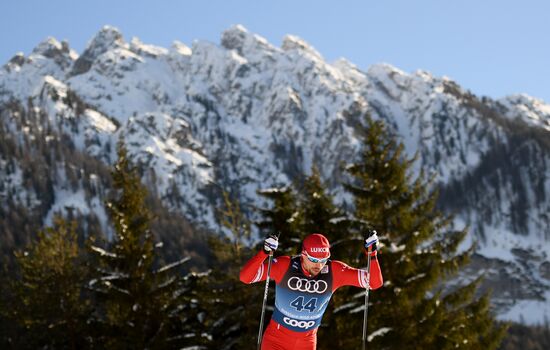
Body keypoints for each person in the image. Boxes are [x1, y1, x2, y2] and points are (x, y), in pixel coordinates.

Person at [240, 231, 383, 350]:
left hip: (306, 343)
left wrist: (372, 254)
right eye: (314, 260)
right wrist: (264, 253)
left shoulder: (335, 271)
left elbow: (374, 283)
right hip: (276, 341)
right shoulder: (285, 266)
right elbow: (246, 277)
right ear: (303, 255)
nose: (319, 265)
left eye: (323, 260)